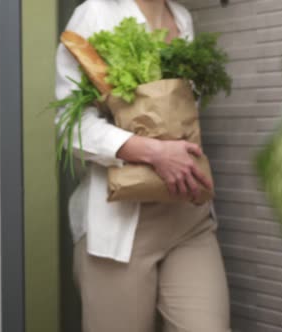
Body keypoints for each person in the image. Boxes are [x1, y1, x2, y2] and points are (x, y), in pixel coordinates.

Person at [55, 0, 231, 331]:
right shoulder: (95, 14)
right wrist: (153, 152)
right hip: (121, 227)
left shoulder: (182, 17)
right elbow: (70, 125)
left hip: (189, 219)